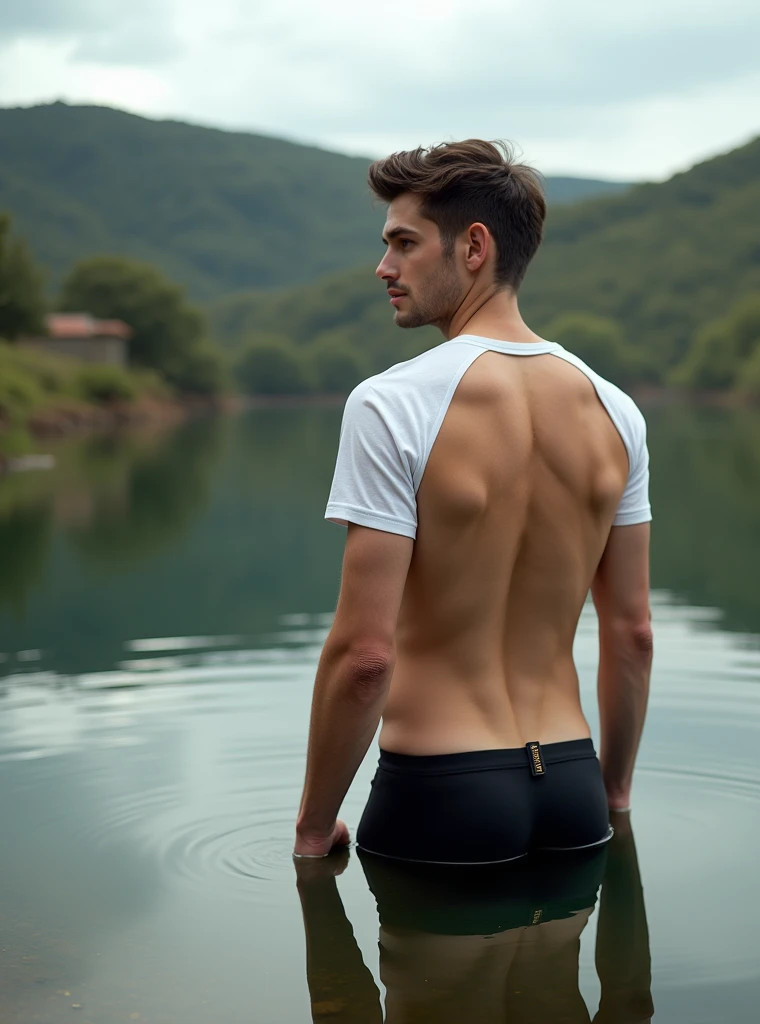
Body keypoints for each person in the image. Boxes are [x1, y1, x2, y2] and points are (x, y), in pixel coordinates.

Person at [293, 139, 653, 864]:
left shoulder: (393, 404)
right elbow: (633, 633)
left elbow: (365, 656)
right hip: (574, 790)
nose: (384, 268)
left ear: (475, 247)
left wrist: (313, 826)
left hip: (440, 791)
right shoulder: (616, 412)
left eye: (404, 243)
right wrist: (611, 796)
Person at [295, 811, 654, 1023]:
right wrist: (615, 797)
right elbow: (631, 1003)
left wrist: (314, 826)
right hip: (570, 780)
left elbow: (364, 678)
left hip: (448, 795)